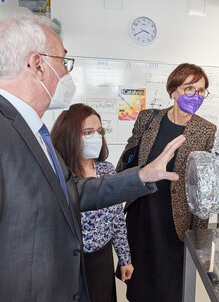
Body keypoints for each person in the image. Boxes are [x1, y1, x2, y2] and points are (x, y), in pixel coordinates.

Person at [0, 15, 185, 302]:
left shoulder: (30, 130)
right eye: (63, 60)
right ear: (37, 64)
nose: (66, 71)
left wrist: (143, 175)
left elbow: (69, 193)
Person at [119, 63, 217, 301]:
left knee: (171, 286)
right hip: (142, 213)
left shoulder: (206, 130)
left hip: (176, 221)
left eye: (202, 90)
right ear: (173, 90)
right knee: (140, 285)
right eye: (189, 88)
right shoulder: (148, 118)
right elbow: (128, 158)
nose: (196, 95)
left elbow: (202, 190)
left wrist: (199, 241)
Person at [51, 104, 133, 302]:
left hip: (102, 259)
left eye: (99, 131)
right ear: (70, 135)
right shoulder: (59, 174)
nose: (96, 137)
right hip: (69, 263)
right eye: (88, 132)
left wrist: (125, 259)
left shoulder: (106, 170)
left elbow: (117, 219)